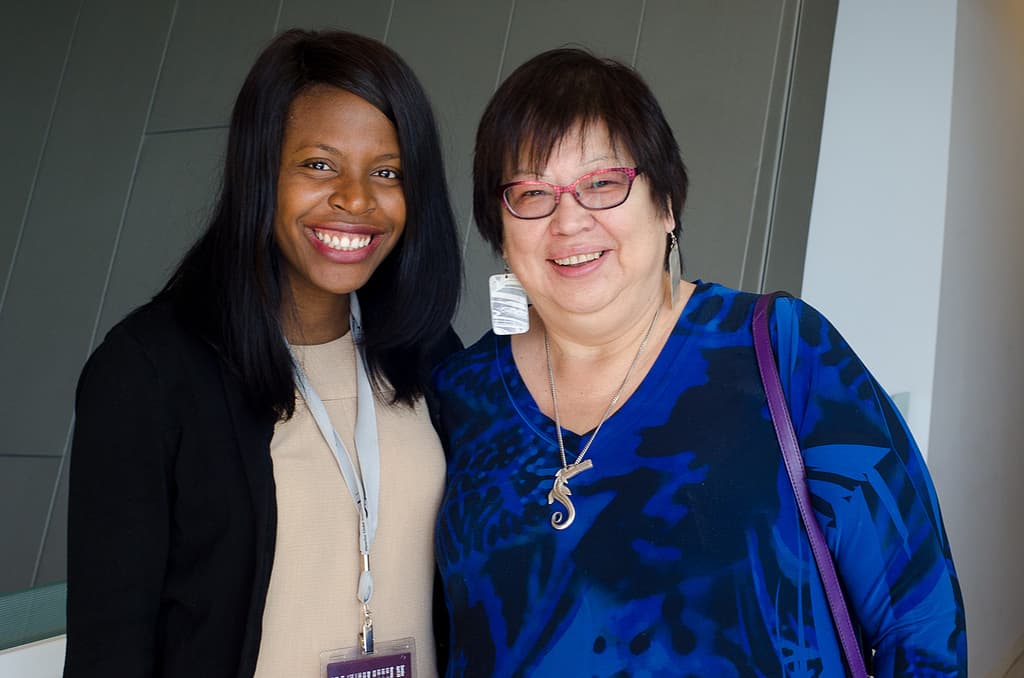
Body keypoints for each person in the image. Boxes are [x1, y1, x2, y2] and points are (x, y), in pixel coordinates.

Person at [432, 48, 966, 677]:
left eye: (602, 183)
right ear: (499, 228)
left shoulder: (785, 351)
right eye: (531, 193)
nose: (569, 220)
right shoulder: (458, 396)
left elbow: (920, 620)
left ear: (666, 204)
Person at [64, 29, 461, 677]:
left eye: (387, 172)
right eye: (319, 164)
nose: (357, 199)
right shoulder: (148, 371)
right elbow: (109, 648)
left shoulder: (429, 354)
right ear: (260, 170)